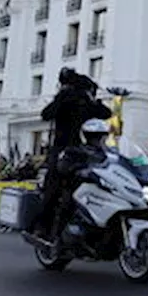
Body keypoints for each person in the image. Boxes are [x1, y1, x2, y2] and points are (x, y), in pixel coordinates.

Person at [33, 67, 111, 238]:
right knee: (53, 185)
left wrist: (67, 98)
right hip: (68, 151)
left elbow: (106, 113)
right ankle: (43, 227)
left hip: (79, 151)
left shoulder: (77, 100)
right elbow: (47, 114)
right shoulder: (75, 101)